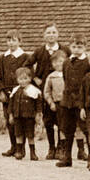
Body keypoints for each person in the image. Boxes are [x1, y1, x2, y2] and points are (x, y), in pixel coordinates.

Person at [0, 31, 28, 158]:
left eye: (14, 40)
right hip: (7, 94)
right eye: (9, 40)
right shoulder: (4, 57)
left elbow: (28, 74)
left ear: (20, 41)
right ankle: (13, 146)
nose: (11, 43)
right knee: (9, 121)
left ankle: (21, 148)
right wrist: (1, 91)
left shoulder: (24, 57)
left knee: (20, 120)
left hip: (19, 94)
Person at [31, 24, 63, 157]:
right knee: (48, 121)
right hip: (46, 92)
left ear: (58, 34)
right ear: (44, 35)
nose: (51, 35)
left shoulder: (64, 49)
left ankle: (61, 147)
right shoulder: (39, 51)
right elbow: (26, 65)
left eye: (53, 32)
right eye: (48, 32)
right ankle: (51, 148)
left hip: (61, 92)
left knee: (62, 122)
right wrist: (35, 78)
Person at [61, 35, 90, 163]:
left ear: (85, 47)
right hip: (67, 101)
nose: (77, 49)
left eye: (80, 47)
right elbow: (65, 78)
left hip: (81, 101)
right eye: (74, 47)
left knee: (85, 128)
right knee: (68, 128)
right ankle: (67, 157)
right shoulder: (66, 62)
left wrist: (84, 101)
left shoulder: (87, 62)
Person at [7, 66, 40, 160]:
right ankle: (19, 151)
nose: (23, 81)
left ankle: (32, 153)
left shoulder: (33, 91)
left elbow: (38, 104)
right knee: (18, 134)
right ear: (17, 80)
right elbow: (11, 105)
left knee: (30, 135)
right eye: (20, 79)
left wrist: (38, 114)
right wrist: (10, 115)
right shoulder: (15, 91)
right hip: (18, 116)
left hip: (29, 117)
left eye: (25, 78)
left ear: (30, 78)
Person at [44, 51, 71, 167]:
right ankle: (51, 147)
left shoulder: (69, 74)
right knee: (49, 124)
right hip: (55, 104)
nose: (58, 64)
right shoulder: (51, 76)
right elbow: (47, 91)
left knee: (63, 127)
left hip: (66, 104)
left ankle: (62, 148)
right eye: (55, 62)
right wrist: (50, 103)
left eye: (61, 61)